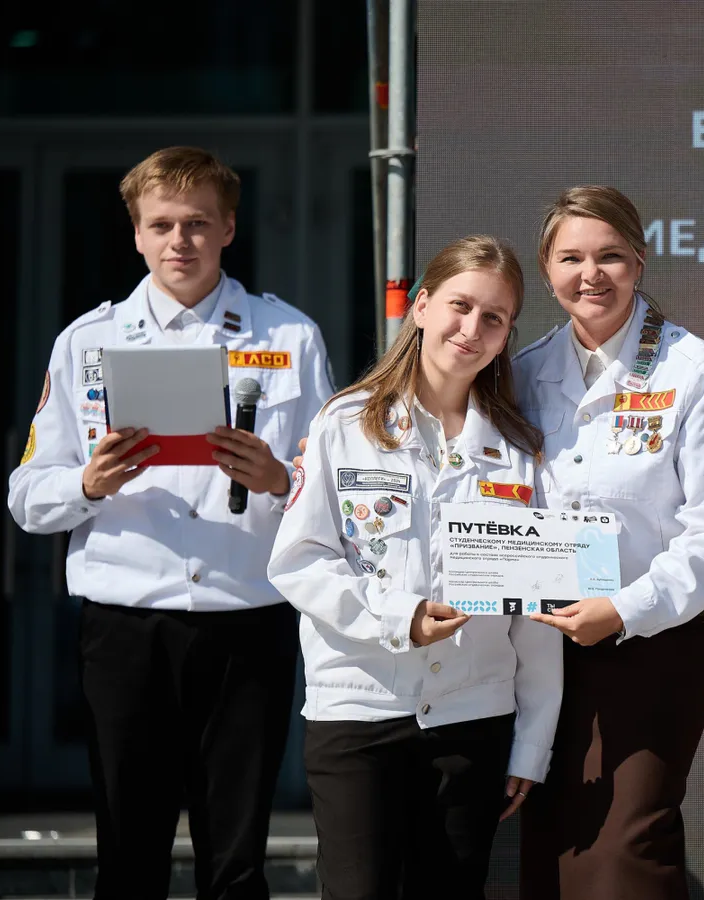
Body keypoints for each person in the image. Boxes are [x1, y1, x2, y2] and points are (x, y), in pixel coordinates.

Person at [7, 146, 335, 900]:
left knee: (236, 865)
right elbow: (28, 496)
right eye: (161, 225)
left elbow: (340, 491)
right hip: (126, 621)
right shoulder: (87, 341)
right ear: (136, 234)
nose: (179, 240)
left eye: (196, 223)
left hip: (247, 617)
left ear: (228, 228)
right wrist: (88, 484)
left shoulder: (288, 336)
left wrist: (278, 480)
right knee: (128, 856)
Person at [267, 235, 563, 900]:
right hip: (359, 712)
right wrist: (398, 617)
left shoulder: (520, 450)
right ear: (421, 306)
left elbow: (537, 613)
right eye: (461, 305)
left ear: (508, 335)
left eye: (495, 318)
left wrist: (532, 742)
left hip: (472, 717)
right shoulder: (346, 422)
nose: (472, 328)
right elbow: (299, 562)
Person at [515, 186, 704, 900]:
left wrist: (622, 610)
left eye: (610, 256)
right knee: (555, 838)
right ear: (546, 268)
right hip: (543, 641)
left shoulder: (690, 368)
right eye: (571, 258)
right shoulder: (523, 371)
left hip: (656, 636)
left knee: (627, 846)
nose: (591, 275)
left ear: (640, 262)